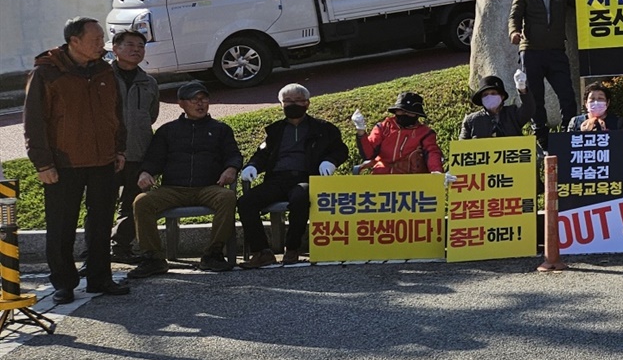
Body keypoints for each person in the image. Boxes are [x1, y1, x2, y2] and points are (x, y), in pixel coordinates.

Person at [23, 17, 130, 303]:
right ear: (74, 42)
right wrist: (42, 163)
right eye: (95, 39)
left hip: (103, 161)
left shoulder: (105, 70)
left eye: (102, 38)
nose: (101, 43)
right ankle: (63, 283)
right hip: (62, 164)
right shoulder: (47, 72)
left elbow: (116, 114)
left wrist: (119, 149)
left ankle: (100, 278)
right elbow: (34, 122)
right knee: (61, 226)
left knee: (101, 223)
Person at [129, 81, 242, 278]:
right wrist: (146, 172)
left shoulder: (220, 129)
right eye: (194, 100)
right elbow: (153, 159)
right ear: (181, 103)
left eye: (204, 99)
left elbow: (233, 155)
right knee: (142, 202)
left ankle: (213, 254)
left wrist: (231, 168)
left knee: (227, 197)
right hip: (173, 189)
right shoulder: (168, 130)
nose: (200, 104)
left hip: (208, 187)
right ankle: (153, 258)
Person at [239, 84, 349, 268]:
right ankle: (262, 252)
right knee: (245, 202)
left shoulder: (323, 129)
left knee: (300, 197)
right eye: (288, 101)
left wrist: (329, 161)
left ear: (307, 103)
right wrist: (253, 166)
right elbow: (263, 154)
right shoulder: (274, 131)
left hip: (305, 178)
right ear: (281, 104)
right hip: (277, 179)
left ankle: (292, 248)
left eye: (298, 100)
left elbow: (340, 150)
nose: (293, 104)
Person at [509, 0, 576, 142]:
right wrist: (514, 32)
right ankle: (541, 136)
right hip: (531, 52)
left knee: (567, 94)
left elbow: (583, 2)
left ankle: (568, 134)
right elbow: (514, 16)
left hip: (556, 52)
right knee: (535, 98)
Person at [107, 29, 160, 264]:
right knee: (101, 205)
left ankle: (120, 248)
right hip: (105, 154)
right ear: (115, 48)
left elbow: (152, 114)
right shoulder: (102, 78)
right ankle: (94, 252)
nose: (136, 49)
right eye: (130, 45)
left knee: (131, 203)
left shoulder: (149, 82)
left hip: (138, 151)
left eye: (141, 46)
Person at [354, 92, 444, 174]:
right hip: (381, 176)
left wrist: (436, 171)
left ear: (416, 114)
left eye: (410, 112)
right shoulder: (383, 127)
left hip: (411, 179)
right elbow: (368, 154)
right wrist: (361, 131)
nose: (405, 114)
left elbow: (432, 153)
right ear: (395, 111)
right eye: (401, 110)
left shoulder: (425, 133)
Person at [460, 75, 534, 138]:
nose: (489, 97)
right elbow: (461, 148)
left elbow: (528, 109)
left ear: (502, 96)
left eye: (493, 93)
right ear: (481, 99)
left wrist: (522, 88)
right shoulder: (471, 121)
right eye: (485, 95)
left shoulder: (512, 114)